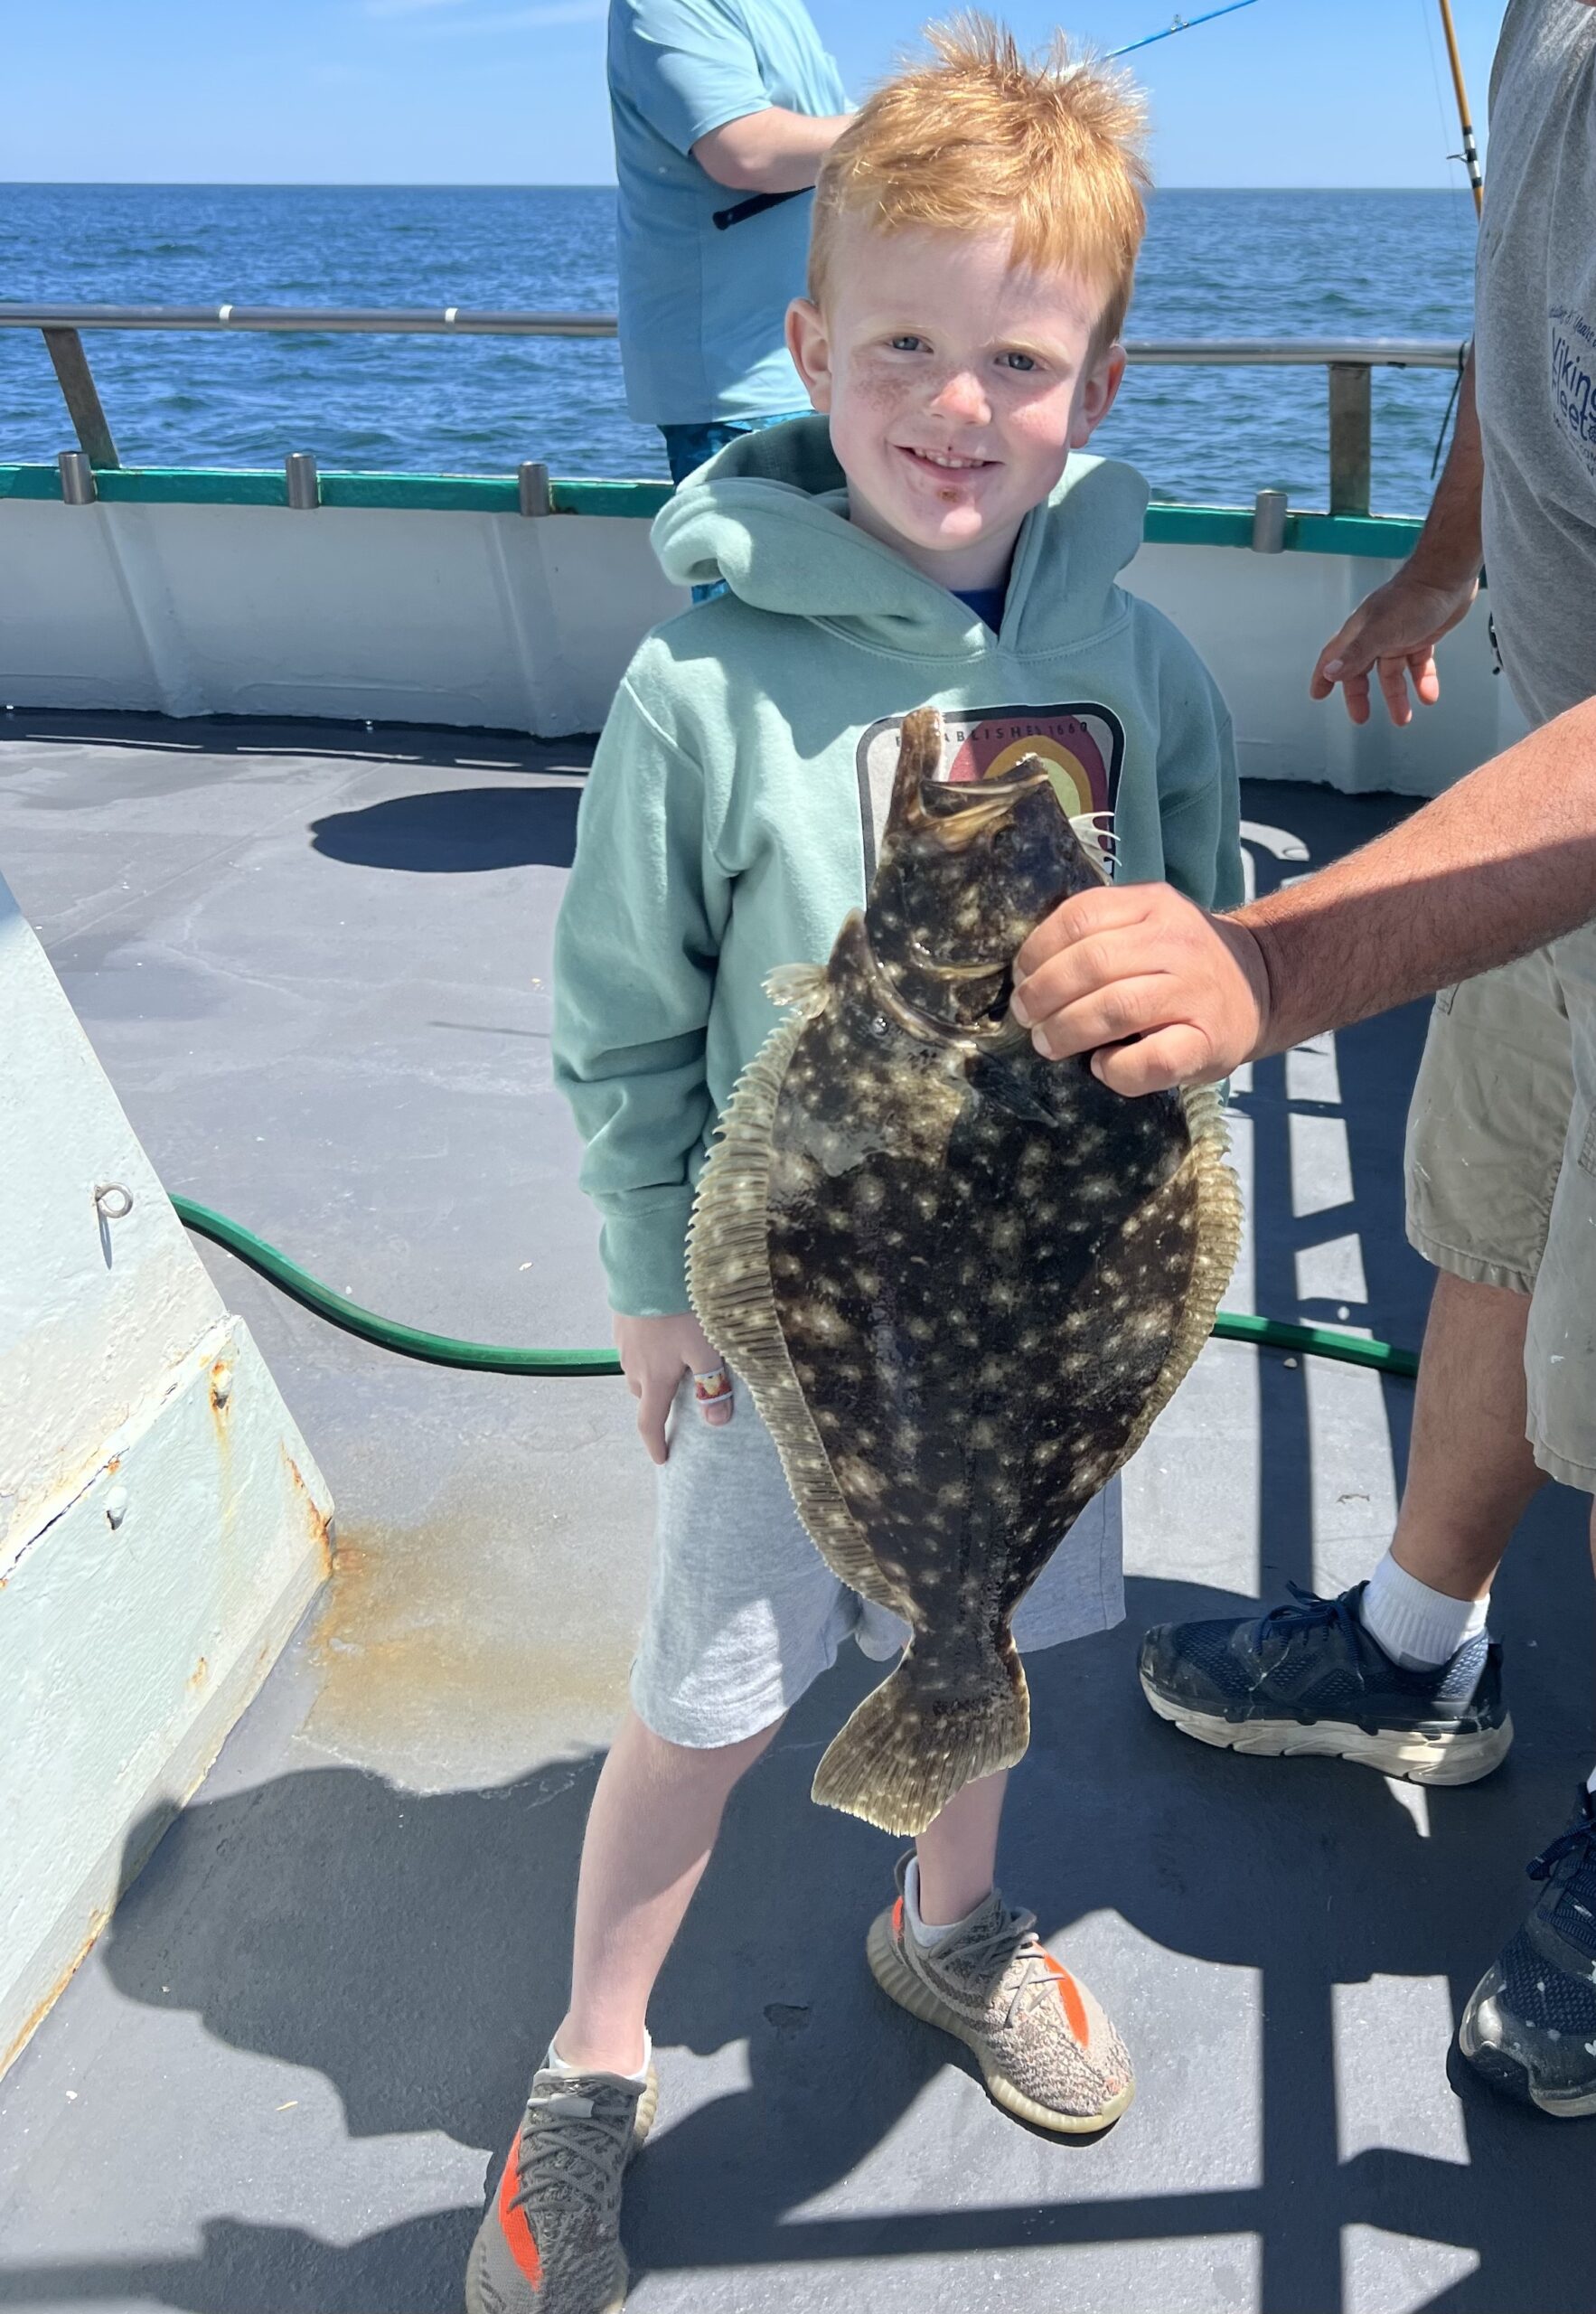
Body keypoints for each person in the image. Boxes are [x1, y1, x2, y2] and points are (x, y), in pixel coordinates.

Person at [467, 24, 1244, 2309]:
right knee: (705, 1700)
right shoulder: (700, 689)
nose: (955, 401)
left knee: (976, 1639)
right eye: (901, 341)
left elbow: (1197, 954)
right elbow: (624, 1013)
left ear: (1093, 386)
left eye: (1018, 353)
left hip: (1040, 1309)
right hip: (790, 1310)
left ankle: (947, 1914)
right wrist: (648, 1276)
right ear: (807, 349)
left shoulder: (1150, 665)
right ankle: (592, 2057)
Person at [1011, 0, 1596, 2121]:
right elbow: (1530, 308)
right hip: (1553, 790)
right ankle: (1409, 1642)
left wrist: (1273, 955)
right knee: (1497, 1218)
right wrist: (1450, 554)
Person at [607, 0, 850, 491]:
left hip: (822, 371)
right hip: (746, 391)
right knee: (760, 569)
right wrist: (922, 120)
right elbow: (746, 151)